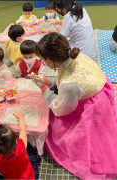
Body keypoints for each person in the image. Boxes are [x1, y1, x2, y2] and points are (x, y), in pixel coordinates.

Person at [29, 32, 117, 179]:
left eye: (43, 59)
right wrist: (46, 82)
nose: (43, 62)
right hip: (99, 91)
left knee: (54, 128)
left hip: (92, 107)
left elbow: (60, 109)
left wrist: (44, 90)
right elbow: (64, 80)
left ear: (50, 61)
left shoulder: (69, 84)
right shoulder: (76, 55)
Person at [0, 112, 38, 180]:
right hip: (28, 177)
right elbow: (22, 131)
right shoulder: (21, 147)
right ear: (16, 140)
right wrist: (20, 117)